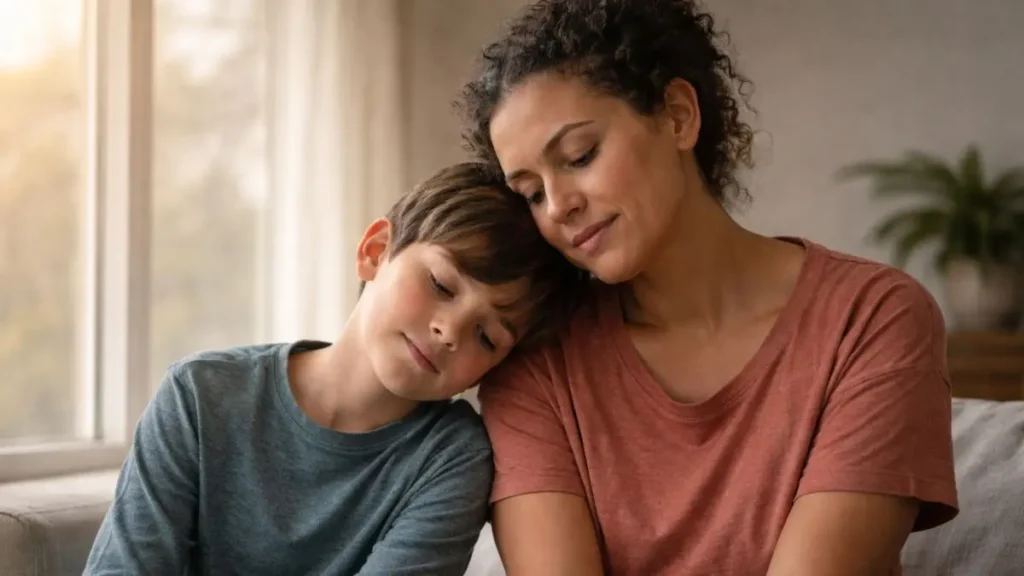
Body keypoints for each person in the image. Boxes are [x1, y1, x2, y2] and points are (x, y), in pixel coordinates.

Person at [457, 1, 960, 574]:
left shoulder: (871, 319)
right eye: (531, 193)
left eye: (580, 155)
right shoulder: (537, 361)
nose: (559, 207)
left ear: (677, 115)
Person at [83, 162, 586, 576]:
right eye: (441, 284)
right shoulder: (199, 395)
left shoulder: (453, 457)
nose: (451, 331)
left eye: (487, 336)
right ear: (375, 251)